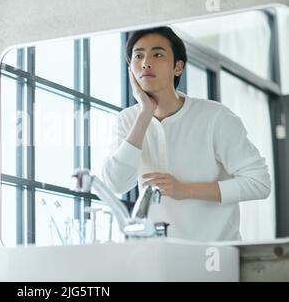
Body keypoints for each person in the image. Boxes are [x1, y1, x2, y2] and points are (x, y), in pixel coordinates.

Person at [101, 26, 271, 242]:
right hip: (157, 258)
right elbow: (116, 184)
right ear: (130, 69)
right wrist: (144, 114)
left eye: (158, 54)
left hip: (216, 257)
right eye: (138, 56)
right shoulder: (127, 120)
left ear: (178, 67)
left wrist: (185, 190)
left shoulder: (215, 116)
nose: (146, 63)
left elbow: (260, 183)